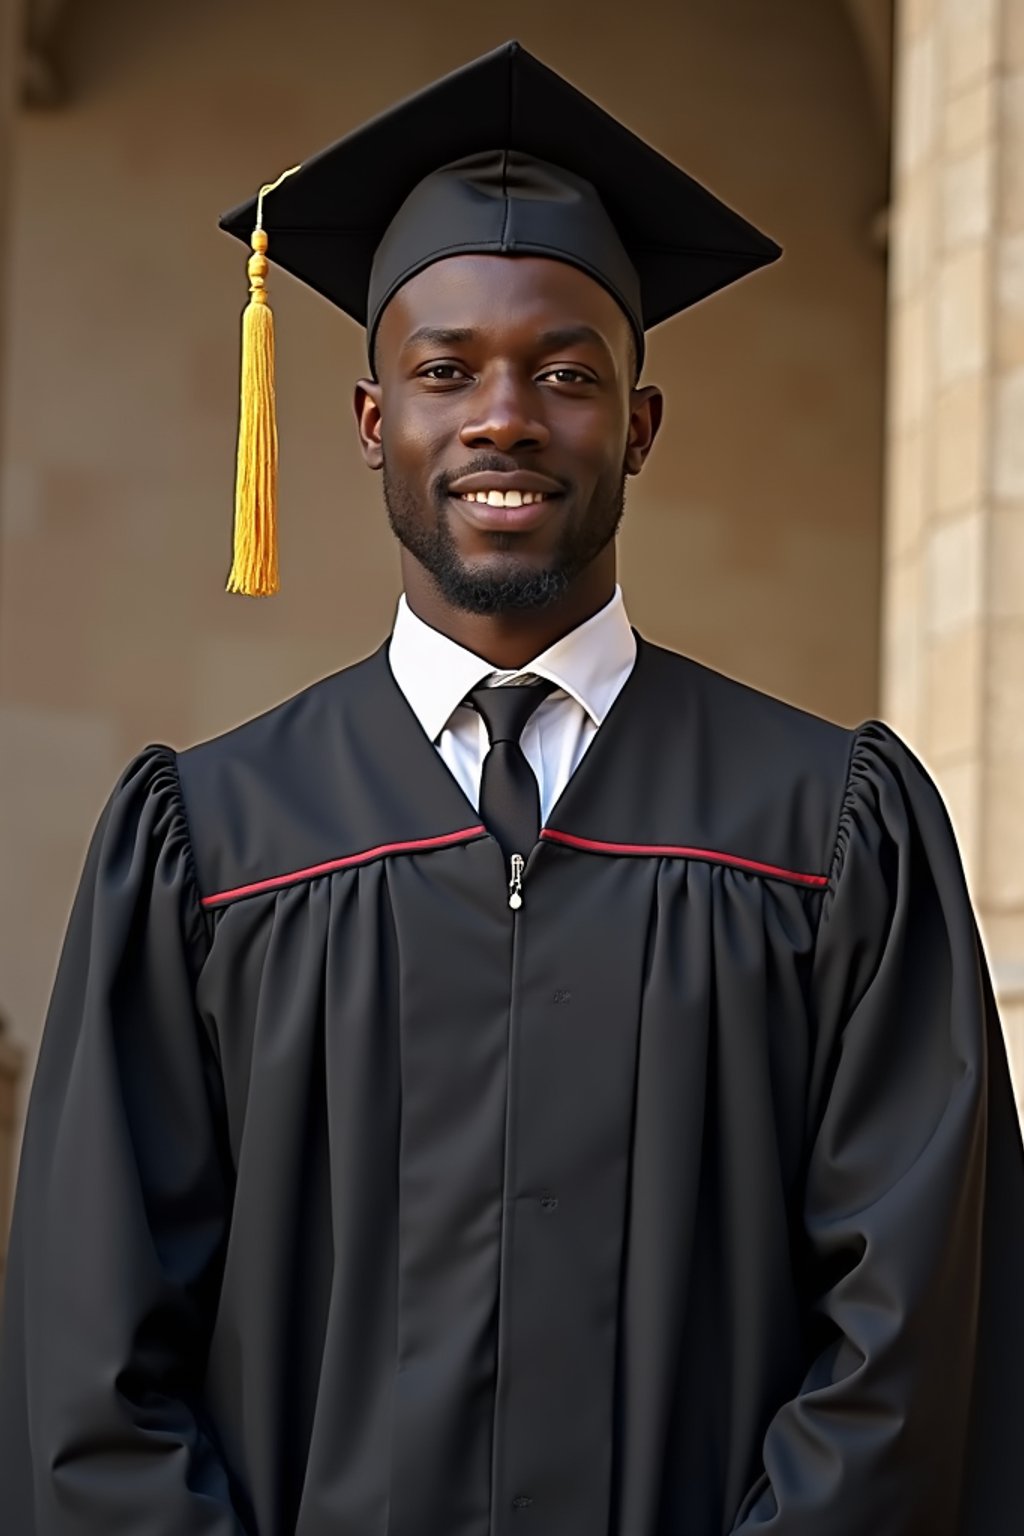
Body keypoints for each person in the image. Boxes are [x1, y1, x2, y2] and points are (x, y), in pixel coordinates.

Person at [1, 40, 1022, 1536]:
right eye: (445, 372)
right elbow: (91, 1369)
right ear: (367, 424)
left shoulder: (830, 831)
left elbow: (914, 1347)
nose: (504, 417)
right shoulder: (208, 848)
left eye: (566, 373)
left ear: (643, 428)